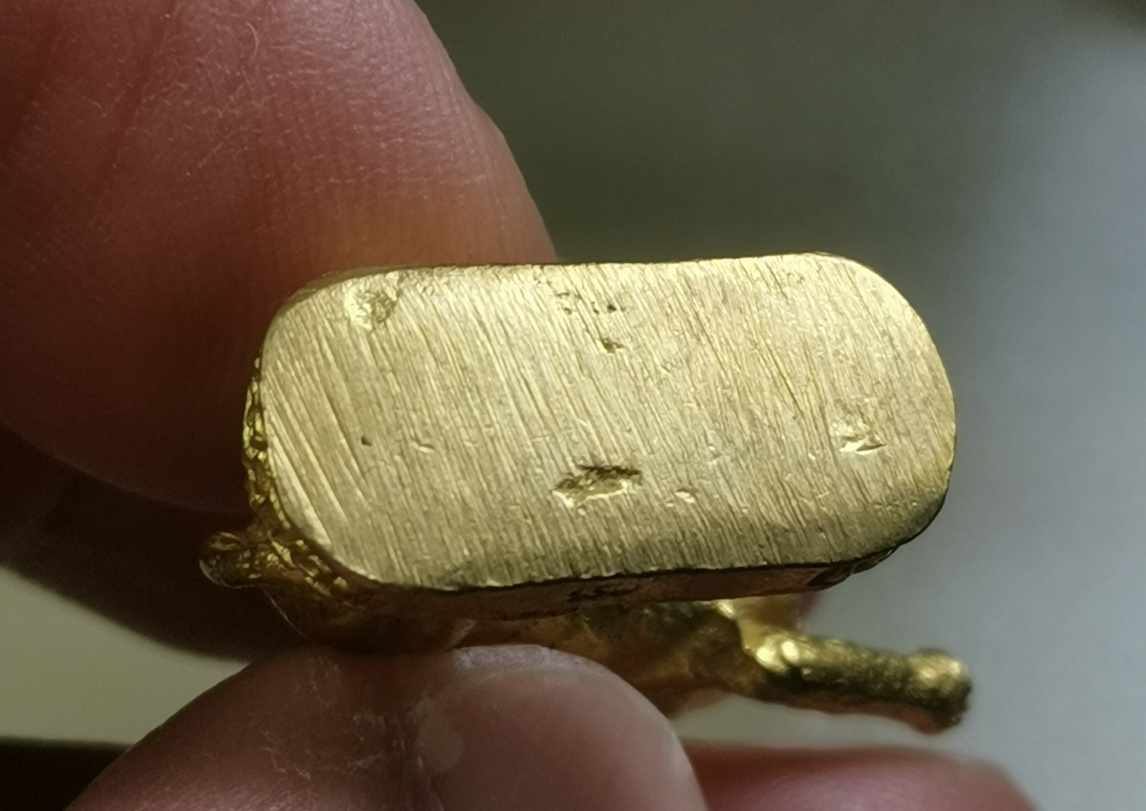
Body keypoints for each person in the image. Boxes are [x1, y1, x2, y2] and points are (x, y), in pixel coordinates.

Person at [0, 2, 1032, 808]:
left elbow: (784, 657)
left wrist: (912, 685)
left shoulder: (683, 623)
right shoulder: (695, 637)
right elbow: (788, 662)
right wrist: (919, 688)